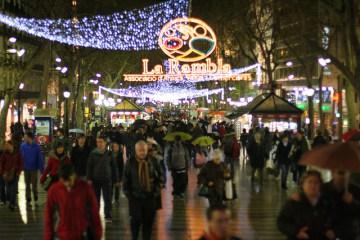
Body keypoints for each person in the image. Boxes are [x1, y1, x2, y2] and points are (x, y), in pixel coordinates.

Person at [44, 164, 102, 240]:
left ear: (74, 175)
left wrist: (97, 233)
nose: (67, 184)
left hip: (82, 234)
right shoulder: (54, 190)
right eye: (64, 181)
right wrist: (48, 237)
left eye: (69, 180)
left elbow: (94, 211)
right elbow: (48, 215)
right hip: (62, 235)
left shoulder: (85, 188)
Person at [123, 140, 164, 240]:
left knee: (148, 223)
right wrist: (130, 195)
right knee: (135, 222)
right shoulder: (130, 163)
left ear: (147, 150)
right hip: (135, 198)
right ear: (136, 151)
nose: (142, 152)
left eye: (144, 150)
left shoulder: (153, 161)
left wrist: (155, 192)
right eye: (140, 150)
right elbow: (126, 180)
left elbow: (161, 178)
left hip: (150, 198)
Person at [277, 170, 336, 240]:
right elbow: (281, 222)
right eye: (309, 182)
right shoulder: (295, 202)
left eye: (316, 182)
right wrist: (296, 231)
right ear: (303, 185)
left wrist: (331, 231)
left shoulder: (326, 202)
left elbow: (334, 220)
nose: (313, 185)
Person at [87, 135, 119, 222]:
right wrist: (89, 178)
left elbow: (114, 167)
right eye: (98, 142)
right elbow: (89, 166)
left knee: (107, 198)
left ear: (105, 143)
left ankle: (108, 215)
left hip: (107, 179)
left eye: (101, 142)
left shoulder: (109, 153)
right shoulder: (93, 153)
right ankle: (95, 215)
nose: (99, 144)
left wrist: (116, 180)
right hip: (95, 179)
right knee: (95, 199)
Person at [322, 170, 360, 239]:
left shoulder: (355, 190)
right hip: (328, 233)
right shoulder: (323, 189)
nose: (344, 176)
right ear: (333, 173)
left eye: (347, 173)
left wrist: (352, 202)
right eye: (341, 173)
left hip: (348, 233)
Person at [20, 131, 44, 207]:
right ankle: (28, 198)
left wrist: (42, 169)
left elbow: (39, 158)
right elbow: (20, 157)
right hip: (26, 168)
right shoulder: (22, 146)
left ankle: (35, 196)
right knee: (27, 184)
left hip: (34, 168)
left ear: (29, 138)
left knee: (34, 184)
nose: (24, 138)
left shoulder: (36, 147)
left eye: (26, 137)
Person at [0, 140, 23, 210]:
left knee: (13, 189)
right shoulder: (4, 154)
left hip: (15, 173)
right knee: (8, 190)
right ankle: (11, 201)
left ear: (12, 145)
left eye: (8, 145)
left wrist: (19, 172)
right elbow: (1, 164)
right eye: (6, 145)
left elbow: (21, 163)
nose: (6, 146)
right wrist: (2, 172)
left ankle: (12, 203)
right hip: (7, 174)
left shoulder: (17, 153)